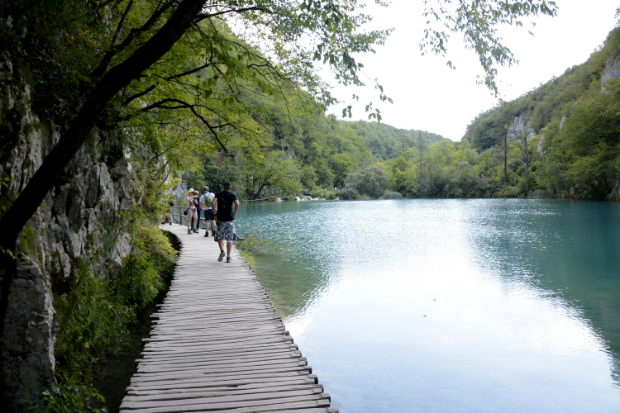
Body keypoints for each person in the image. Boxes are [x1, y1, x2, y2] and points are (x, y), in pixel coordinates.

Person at [212, 182, 240, 263]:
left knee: (220, 237)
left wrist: (214, 214)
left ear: (223, 187)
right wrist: (234, 214)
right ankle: (228, 257)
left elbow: (213, 203)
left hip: (220, 219)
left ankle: (222, 251)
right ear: (230, 188)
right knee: (230, 238)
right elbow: (237, 204)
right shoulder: (232, 195)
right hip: (229, 220)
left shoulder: (218, 194)